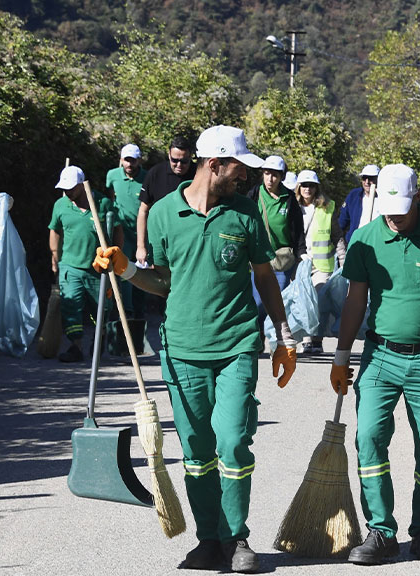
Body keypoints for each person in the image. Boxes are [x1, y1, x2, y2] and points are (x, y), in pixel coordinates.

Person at [93, 125, 298, 573]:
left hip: (236, 345)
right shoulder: (164, 213)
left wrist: (283, 336)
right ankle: (209, 540)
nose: (245, 176)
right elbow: (164, 282)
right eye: (239, 168)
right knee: (197, 451)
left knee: (233, 441)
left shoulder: (245, 212)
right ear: (215, 164)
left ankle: (236, 537)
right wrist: (125, 269)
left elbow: (265, 276)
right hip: (182, 349)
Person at [330, 163, 420, 565]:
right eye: (388, 209)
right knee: (369, 439)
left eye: (402, 208)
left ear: (417, 198)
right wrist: (341, 356)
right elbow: (355, 301)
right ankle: (380, 530)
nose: (394, 217)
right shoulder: (365, 239)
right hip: (380, 357)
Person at [48, 166, 120, 363]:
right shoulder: (61, 205)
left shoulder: (103, 204)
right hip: (70, 266)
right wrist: (55, 257)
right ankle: (75, 346)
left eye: (71, 188)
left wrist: (116, 256)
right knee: (71, 305)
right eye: (64, 188)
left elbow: (117, 230)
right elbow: (54, 230)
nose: (68, 192)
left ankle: (100, 336)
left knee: (101, 309)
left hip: (98, 268)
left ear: (82, 185)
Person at [245, 155, 304, 335]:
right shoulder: (254, 194)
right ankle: (258, 337)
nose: (270, 179)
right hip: (258, 257)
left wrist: (301, 253)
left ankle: (276, 339)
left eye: (275, 175)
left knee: (278, 301)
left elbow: (297, 227)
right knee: (258, 302)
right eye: (267, 173)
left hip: (282, 259)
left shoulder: (289, 198)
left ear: (281, 177)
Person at [293, 169, 345, 355]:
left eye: (311, 185)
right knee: (302, 302)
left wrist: (343, 260)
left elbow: (337, 236)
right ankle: (305, 339)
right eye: (304, 185)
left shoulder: (327, 207)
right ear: (298, 187)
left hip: (321, 265)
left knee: (318, 302)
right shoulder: (291, 206)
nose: (307, 189)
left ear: (317, 188)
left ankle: (316, 340)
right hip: (298, 263)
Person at [135, 135, 195, 266]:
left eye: (184, 161)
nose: (179, 165)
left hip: (189, 241)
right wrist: (141, 246)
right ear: (169, 155)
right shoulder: (155, 174)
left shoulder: (197, 175)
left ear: (191, 157)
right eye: (175, 160)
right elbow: (143, 211)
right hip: (160, 239)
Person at [107, 143, 147, 319]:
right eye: (126, 160)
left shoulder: (147, 177)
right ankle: (125, 310)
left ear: (139, 160)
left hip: (142, 234)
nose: (129, 164)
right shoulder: (112, 176)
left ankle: (139, 312)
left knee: (141, 271)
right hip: (122, 232)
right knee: (123, 269)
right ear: (121, 160)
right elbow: (110, 198)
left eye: (133, 160)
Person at [337, 164, 379, 244]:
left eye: (371, 178)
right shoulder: (354, 195)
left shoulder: (384, 198)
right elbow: (342, 221)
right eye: (364, 178)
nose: (367, 182)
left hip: (376, 242)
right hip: (356, 242)